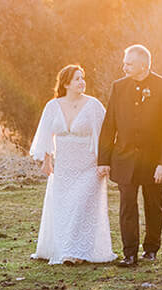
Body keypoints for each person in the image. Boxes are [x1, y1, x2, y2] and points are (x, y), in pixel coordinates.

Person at [97, 44, 162, 268]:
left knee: (154, 205)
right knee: (127, 207)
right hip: (124, 159)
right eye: (124, 63)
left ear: (143, 65)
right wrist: (103, 160)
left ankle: (151, 249)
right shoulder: (118, 87)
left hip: (154, 162)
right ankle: (129, 254)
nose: (124, 67)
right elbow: (109, 125)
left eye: (129, 64)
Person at [28, 64, 115, 264]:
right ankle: (65, 248)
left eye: (83, 78)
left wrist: (104, 162)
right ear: (66, 83)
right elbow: (45, 135)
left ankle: (75, 253)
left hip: (89, 167)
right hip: (63, 167)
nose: (82, 82)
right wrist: (47, 161)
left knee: (81, 207)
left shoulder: (93, 106)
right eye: (77, 78)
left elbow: (106, 137)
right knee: (63, 208)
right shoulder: (53, 106)